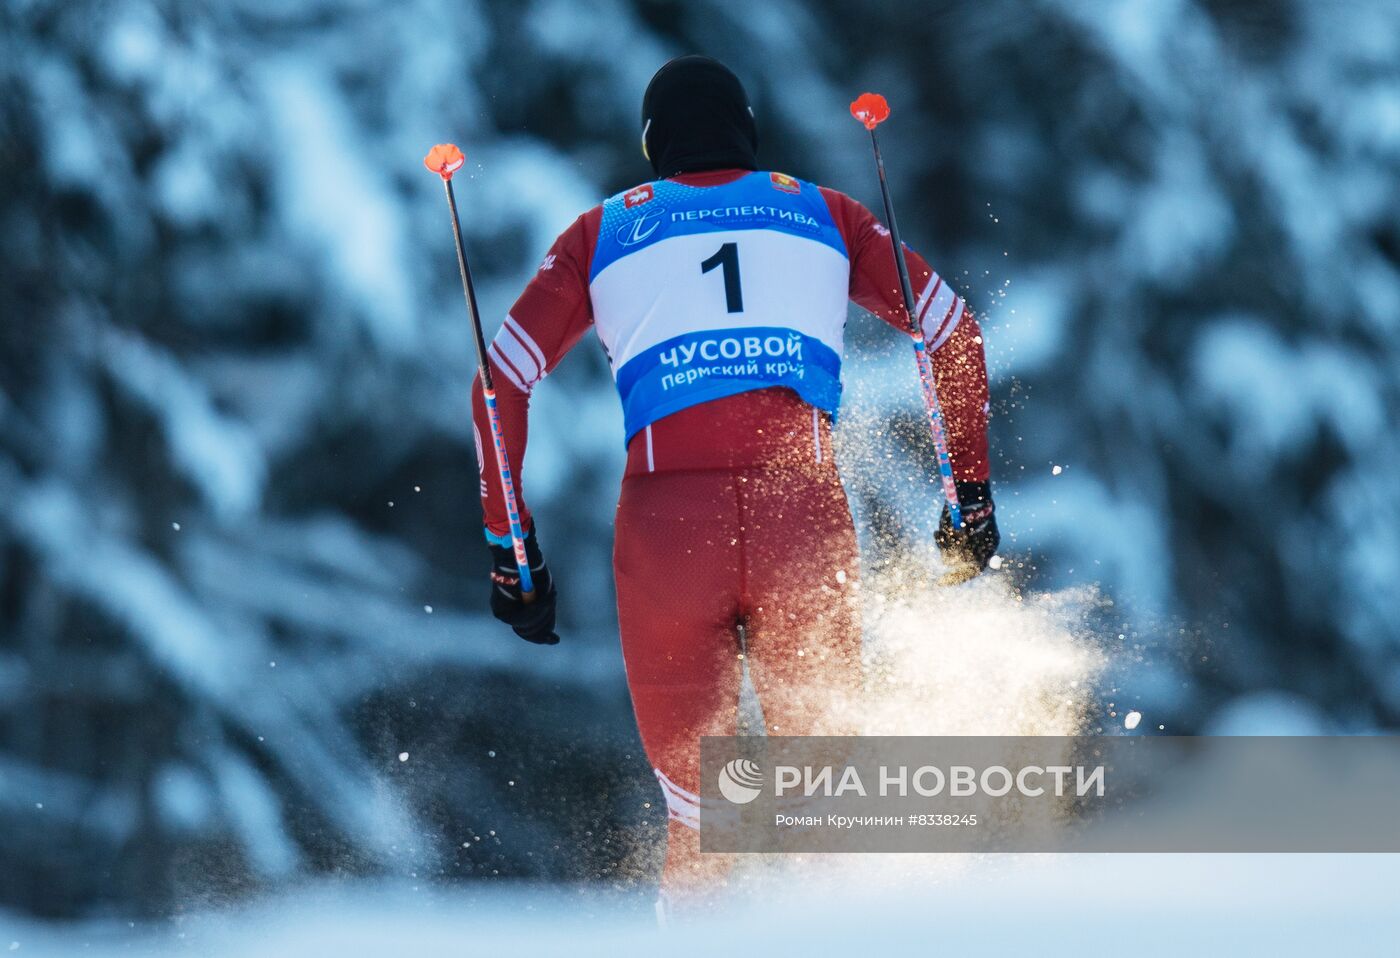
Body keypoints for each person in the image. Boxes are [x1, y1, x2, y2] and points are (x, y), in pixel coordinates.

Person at [472, 55, 998, 901]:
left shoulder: (601, 232)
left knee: (703, 813)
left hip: (667, 530)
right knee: (824, 803)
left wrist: (512, 552)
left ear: (652, 146)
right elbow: (952, 335)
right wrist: (965, 497)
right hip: (802, 518)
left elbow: (499, 384)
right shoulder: (825, 211)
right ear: (748, 137)